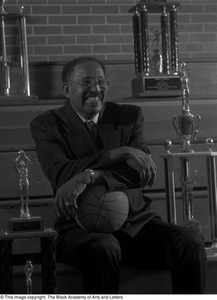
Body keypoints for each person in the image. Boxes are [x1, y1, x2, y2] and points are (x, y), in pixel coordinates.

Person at [30, 56, 207, 294]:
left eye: (101, 82)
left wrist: (91, 176)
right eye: (87, 82)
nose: (96, 89)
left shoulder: (128, 117)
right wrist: (118, 154)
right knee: (103, 247)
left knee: (190, 241)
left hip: (135, 225)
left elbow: (142, 174)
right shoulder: (47, 124)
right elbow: (60, 173)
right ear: (66, 88)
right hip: (79, 229)